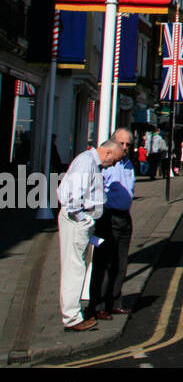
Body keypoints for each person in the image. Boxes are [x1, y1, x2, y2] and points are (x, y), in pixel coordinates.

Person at [56, 138, 126, 331]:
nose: (112, 165)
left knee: (77, 267)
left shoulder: (90, 162)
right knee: (74, 269)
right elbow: (71, 195)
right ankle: (72, 318)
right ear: (108, 153)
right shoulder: (86, 162)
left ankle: (73, 315)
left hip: (82, 221)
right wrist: (83, 219)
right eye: (114, 161)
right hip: (76, 221)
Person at [88, 129, 136, 320]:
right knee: (104, 263)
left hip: (125, 217)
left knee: (120, 263)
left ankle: (114, 302)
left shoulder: (129, 165)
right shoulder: (107, 165)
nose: (125, 148)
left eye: (128, 145)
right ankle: (97, 306)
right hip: (108, 217)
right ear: (113, 143)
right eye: (121, 144)